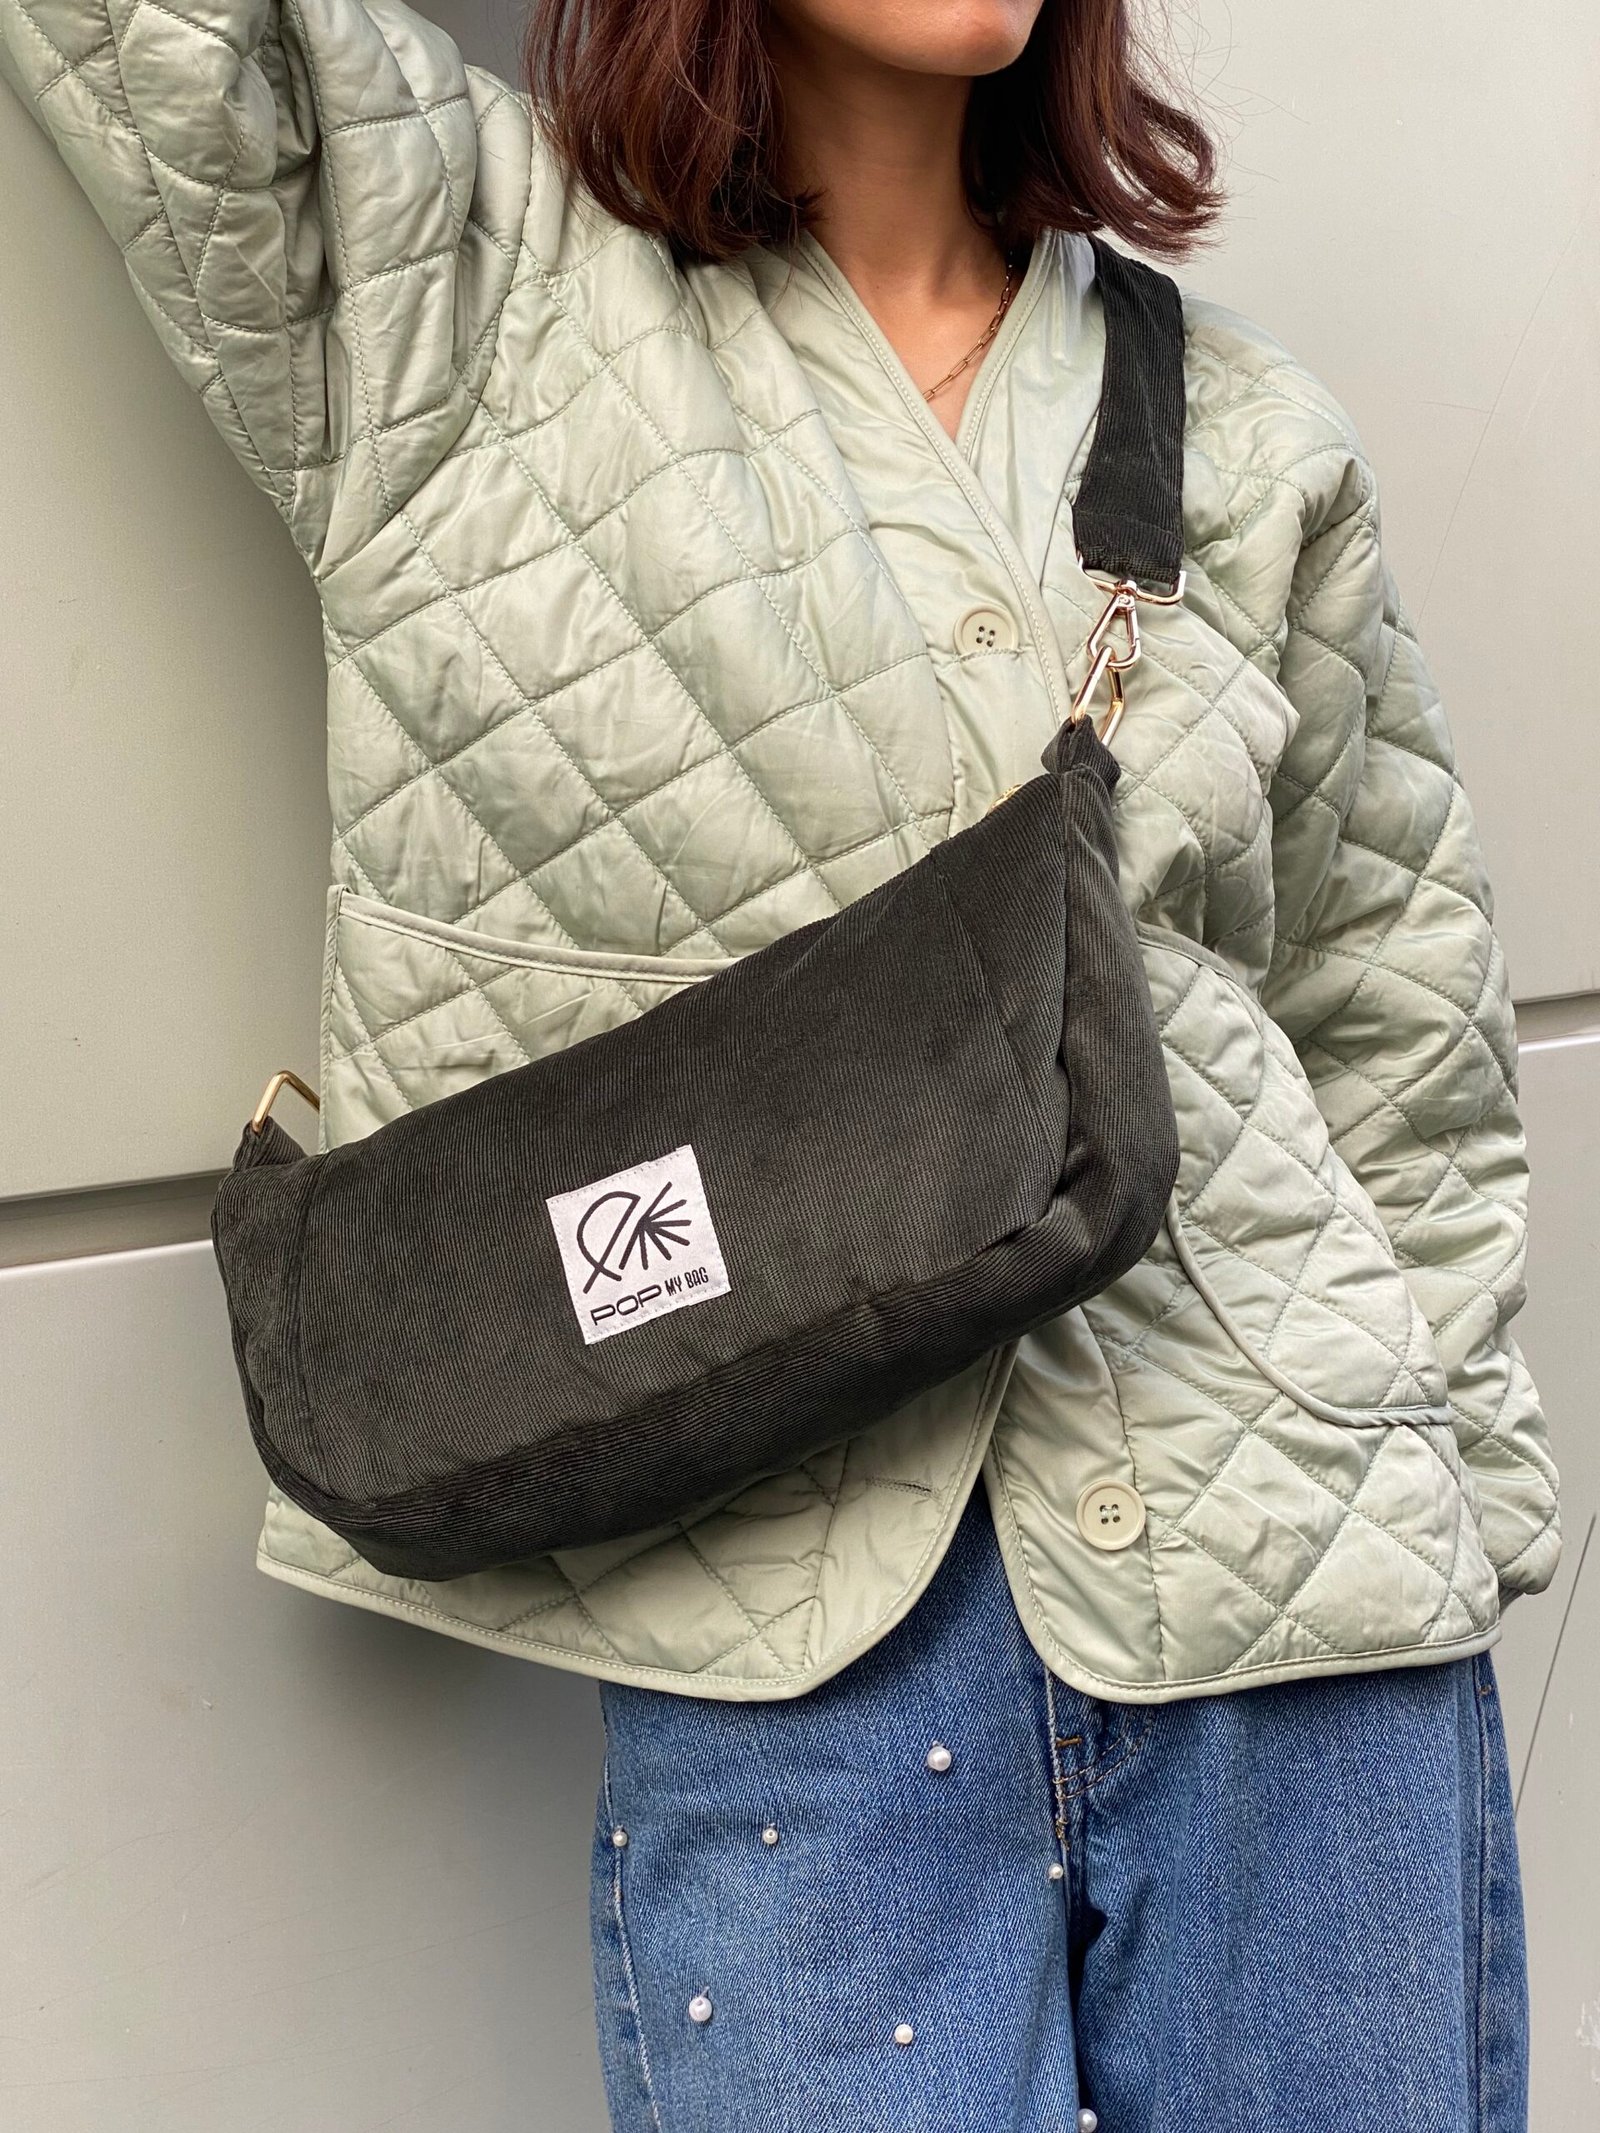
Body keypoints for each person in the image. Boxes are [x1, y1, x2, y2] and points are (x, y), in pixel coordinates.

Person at [0, 0, 1562, 2125]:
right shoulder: (445, 279)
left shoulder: (1246, 431)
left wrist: (1450, 1509)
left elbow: (1394, 1039)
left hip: (1299, 1603)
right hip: (786, 1644)